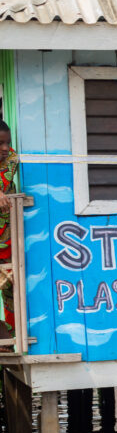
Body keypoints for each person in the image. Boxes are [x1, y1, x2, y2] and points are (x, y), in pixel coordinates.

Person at [0, 121, 19, 339]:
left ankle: (10, 339)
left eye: (7, 143)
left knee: (10, 290)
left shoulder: (12, 159)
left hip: (8, 238)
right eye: (0, 143)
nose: (5, 148)